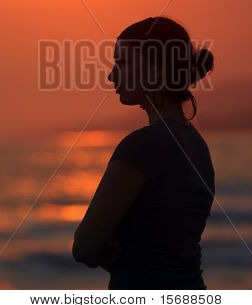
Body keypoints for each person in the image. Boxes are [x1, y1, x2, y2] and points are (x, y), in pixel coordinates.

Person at [72, 16, 215, 290]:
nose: (111, 74)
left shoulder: (142, 146)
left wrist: (108, 247)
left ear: (156, 70)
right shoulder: (198, 146)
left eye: (122, 62)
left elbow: (84, 248)